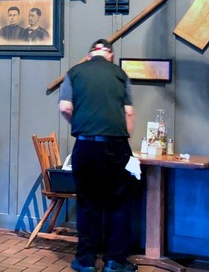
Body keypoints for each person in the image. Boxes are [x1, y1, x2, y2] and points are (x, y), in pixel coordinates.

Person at [58, 39, 138, 272]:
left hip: (85, 145)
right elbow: (129, 112)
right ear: (110, 54)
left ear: (91, 53)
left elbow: (64, 107)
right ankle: (115, 261)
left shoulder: (74, 72)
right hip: (115, 146)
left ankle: (85, 261)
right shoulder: (120, 74)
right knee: (119, 203)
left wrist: (81, 126)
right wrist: (124, 136)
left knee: (88, 203)